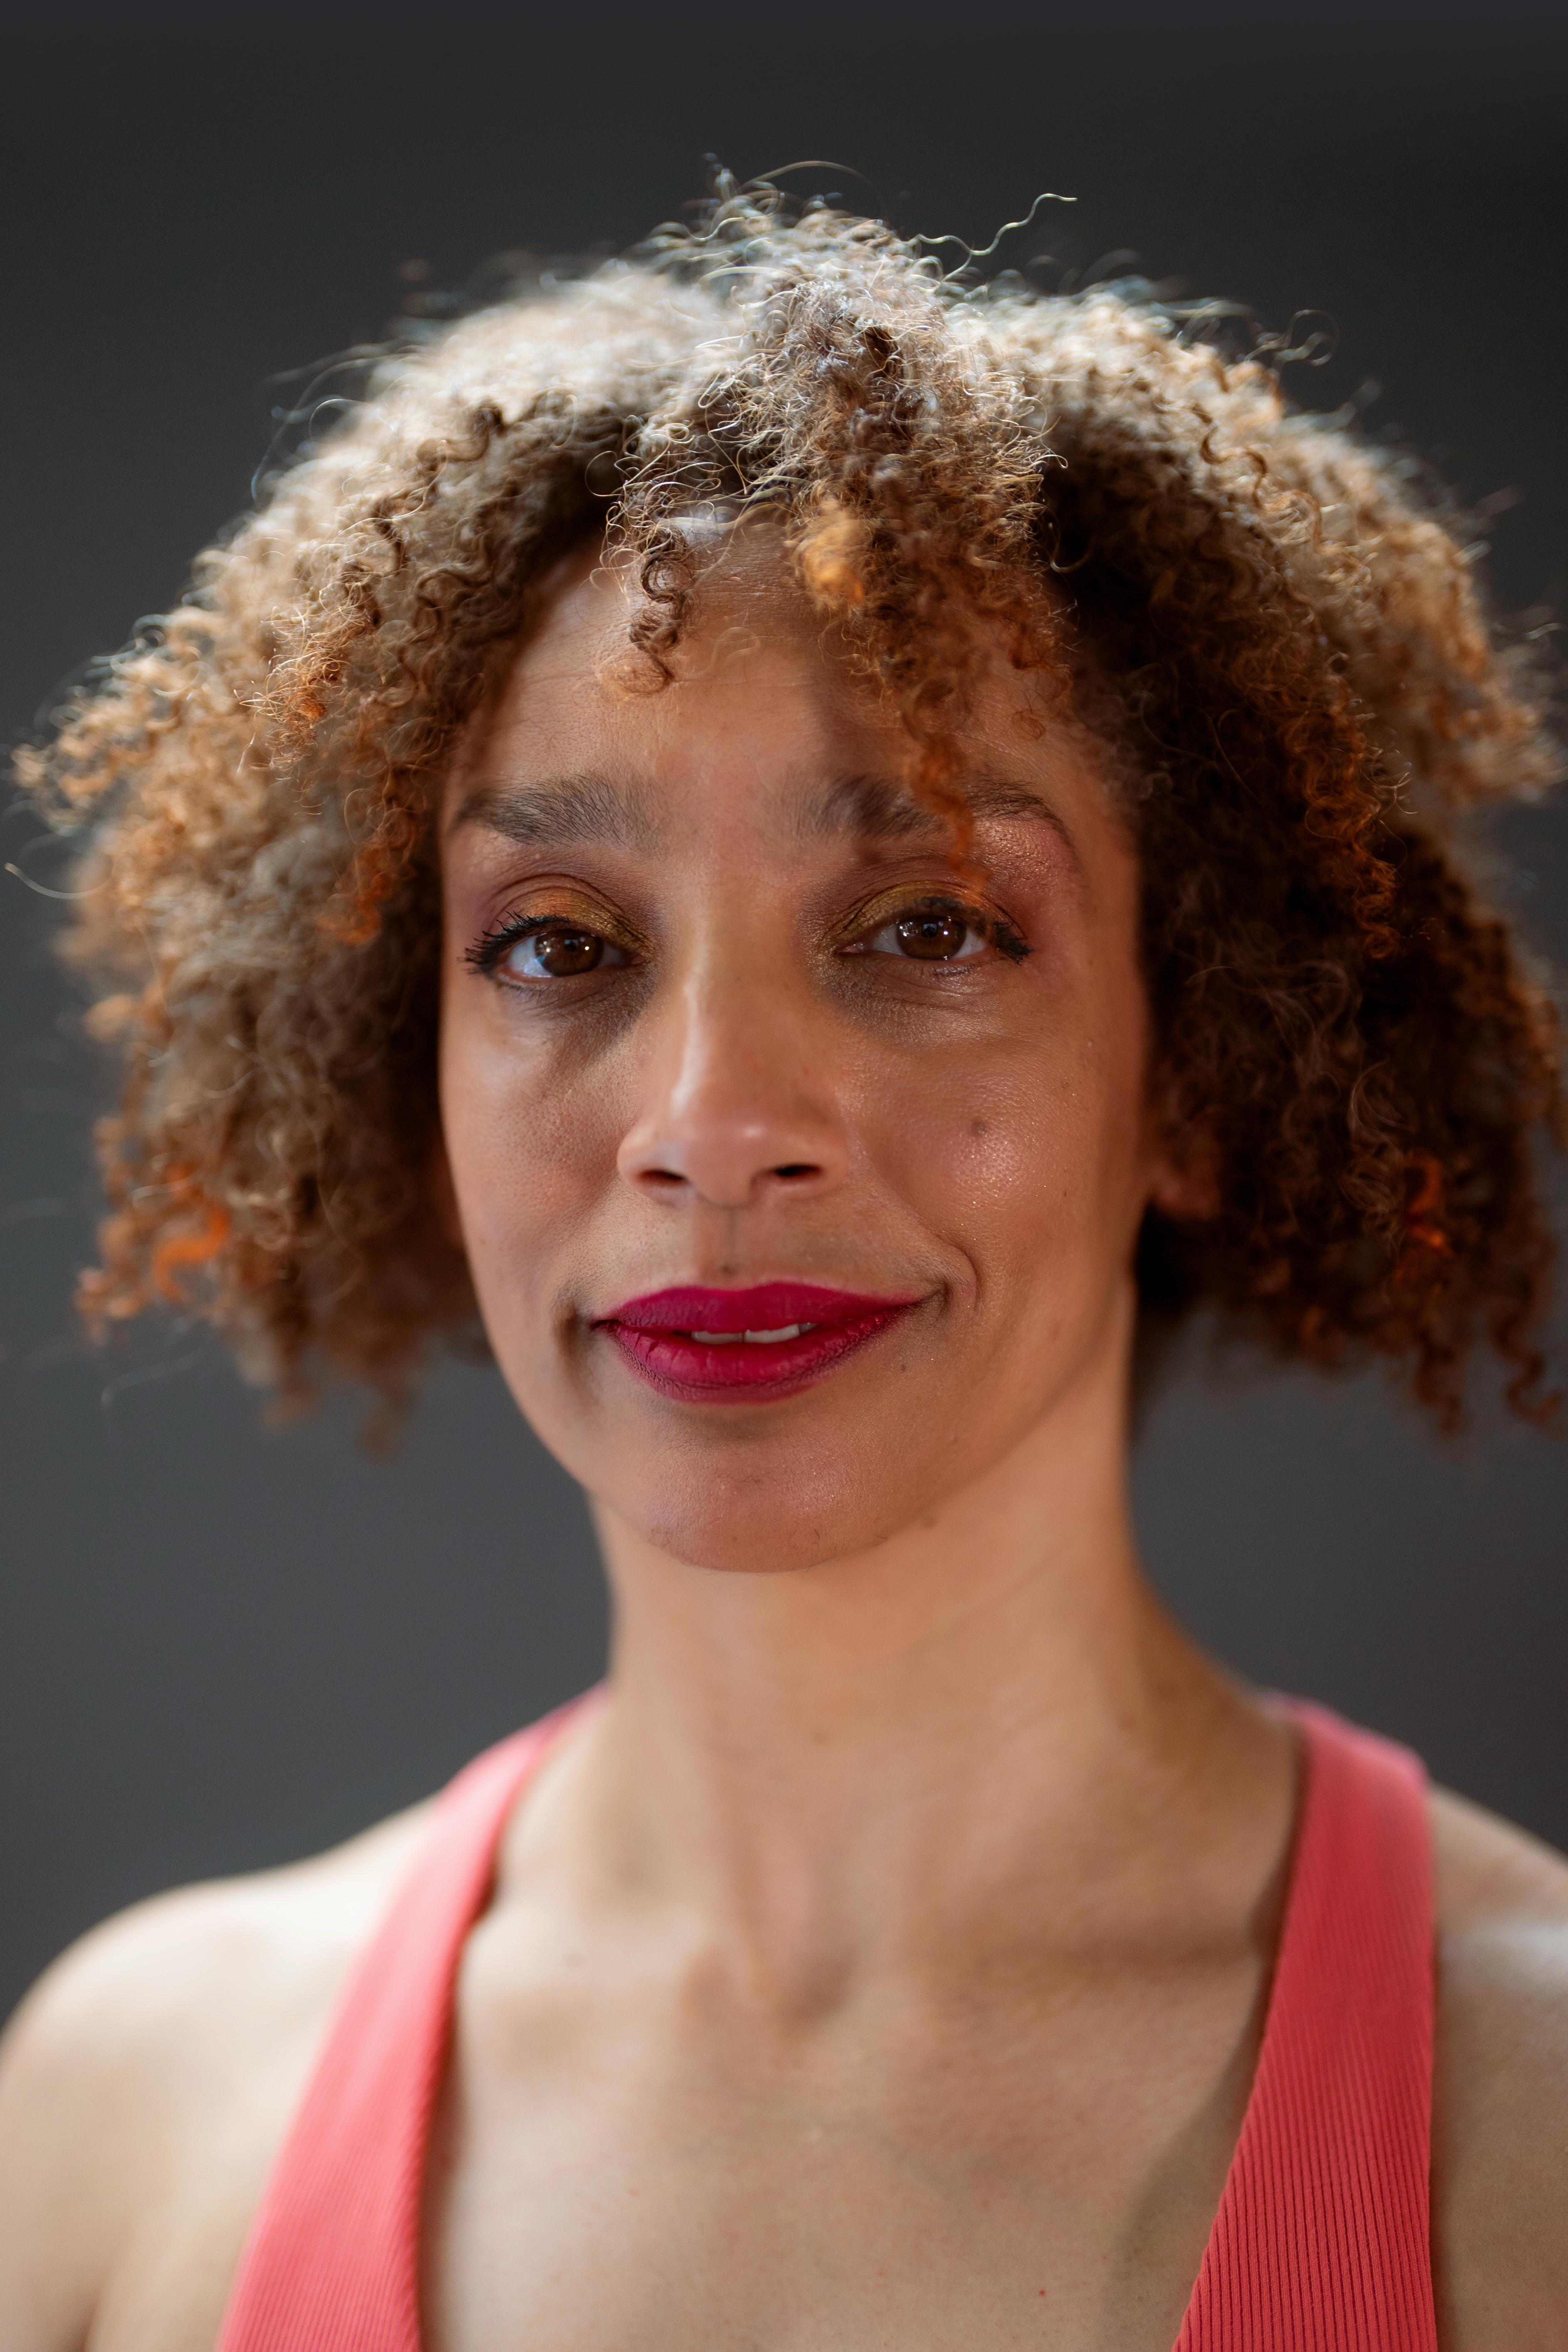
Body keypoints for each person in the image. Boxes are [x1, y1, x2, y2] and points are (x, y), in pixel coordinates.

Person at [0, 185, 1564, 2351]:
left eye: (927, 924)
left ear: (1198, 1061)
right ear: (404, 1062)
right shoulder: (128, 2112)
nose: (715, 1117)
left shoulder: (1546, 2120)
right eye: (558, 943)